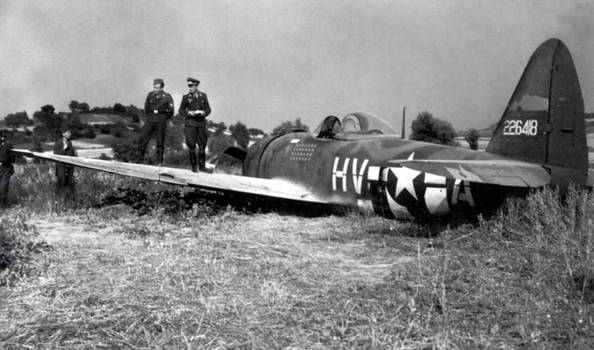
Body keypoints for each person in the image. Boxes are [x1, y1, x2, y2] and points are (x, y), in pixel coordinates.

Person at [138, 78, 174, 166]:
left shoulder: (167, 97)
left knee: (160, 141)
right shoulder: (150, 95)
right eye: (154, 87)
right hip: (150, 119)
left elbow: (171, 111)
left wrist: (163, 118)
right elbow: (146, 108)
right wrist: (150, 116)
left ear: (161, 88)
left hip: (161, 121)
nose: (155, 90)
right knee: (142, 137)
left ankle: (159, 161)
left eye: (157, 88)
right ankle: (140, 158)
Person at [179, 77, 211, 172]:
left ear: (196, 86)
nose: (189, 88)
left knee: (202, 146)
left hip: (201, 124)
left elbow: (208, 109)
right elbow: (181, 110)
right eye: (188, 86)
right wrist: (189, 113)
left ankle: (202, 167)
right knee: (191, 146)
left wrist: (203, 113)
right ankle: (194, 167)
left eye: (191, 86)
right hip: (190, 124)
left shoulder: (203, 96)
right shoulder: (186, 97)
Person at [53, 127, 77, 202]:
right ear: (63, 134)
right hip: (62, 168)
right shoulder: (58, 143)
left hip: (70, 168)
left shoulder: (70, 143)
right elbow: (56, 156)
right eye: (68, 132)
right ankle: (57, 202)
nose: (70, 134)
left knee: (69, 186)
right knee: (60, 186)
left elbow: (72, 155)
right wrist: (64, 149)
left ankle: (68, 202)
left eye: (70, 132)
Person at [0, 130, 15, 208]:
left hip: (5, 169)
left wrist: (4, 161)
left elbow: (13, 159)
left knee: (3, 188)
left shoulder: (8, 145)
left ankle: (3, 206)